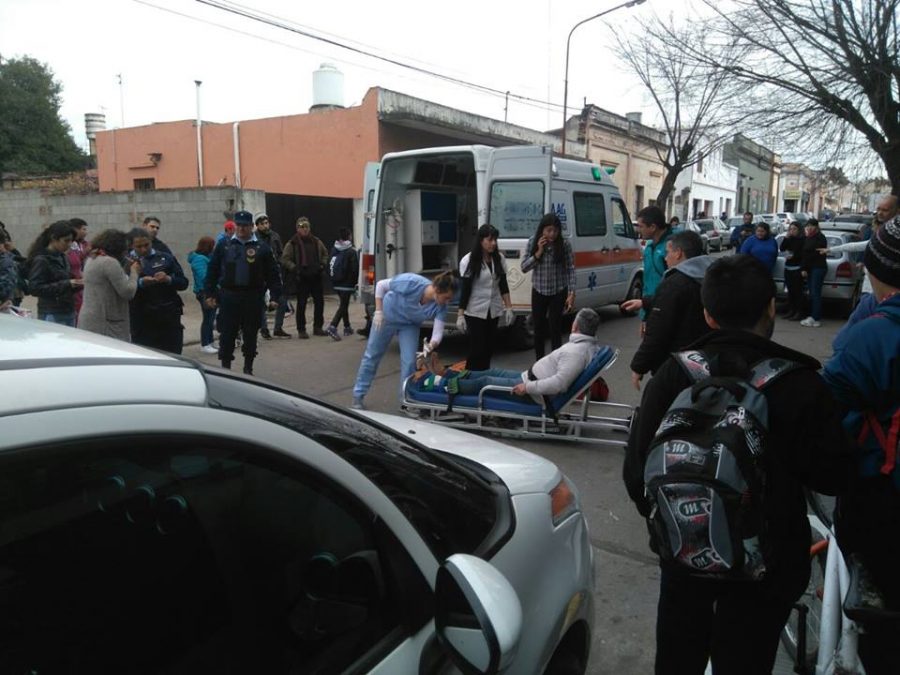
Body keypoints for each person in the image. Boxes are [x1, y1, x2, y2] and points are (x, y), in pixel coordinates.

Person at [623, 254, 852, 675]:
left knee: (677, 658)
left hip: (683, 554)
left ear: (707, 316)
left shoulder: (674, 376)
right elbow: (832, 475)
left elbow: (637, 475)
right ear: (771, 307)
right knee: (746, 660)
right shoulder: (801, 383)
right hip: (768, 565)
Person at [822, 216, 900, 675]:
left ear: (875, 267)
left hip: (883, 495)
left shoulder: (872, 336)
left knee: (881, 620)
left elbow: (826, 416)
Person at [351, 271, 458, 410]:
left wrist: (431, 345)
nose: (447, 302)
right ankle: (358, 396)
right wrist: (378, 311)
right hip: (387, 317)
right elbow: (381, 285)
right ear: (437, 290)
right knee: (372, 355)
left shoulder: (440, 306)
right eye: (447, 297)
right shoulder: (411, 282)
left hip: (409, 325)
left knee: (409, 362)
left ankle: (406, 399)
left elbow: (437, 333)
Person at [620, 230, 713, 390]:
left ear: (678, 253)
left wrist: (639, 366)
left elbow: (658, 330)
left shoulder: (674, 283)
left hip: (677, 365)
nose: (665, 257)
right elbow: (683, 302)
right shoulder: (711, 276)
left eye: (668, 252)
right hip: (706, 362)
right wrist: (645, 302)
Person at [450, 308, 601, 404]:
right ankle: (450, 375)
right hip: (528, 379)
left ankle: (443, 385)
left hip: (533, 393)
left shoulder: (575, 354)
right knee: (491, 372)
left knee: (485, 382)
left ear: (575, 326)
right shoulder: (583, 348)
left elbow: (559, 384)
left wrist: (527, 387)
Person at [204, 210, 281, 375]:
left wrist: (275, 296)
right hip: (229, 297)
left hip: (252, 297)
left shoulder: (262, 248)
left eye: (245, 226)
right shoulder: (224, 246)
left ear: (252, 227)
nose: (241, 229)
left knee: (251, 334)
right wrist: (209, 293)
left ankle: (248, 368)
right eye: (238, 225)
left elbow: (273, 274)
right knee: (227, 334)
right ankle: (226, 369)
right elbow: (212, 270)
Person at [456, 224, 515, 370]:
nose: (493, 243)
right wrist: (460, 315)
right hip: (475, 310)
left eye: (495, 240)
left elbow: (503, 285)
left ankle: (484, 378)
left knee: (489, 348)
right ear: (481, 241)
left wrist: (509, 307)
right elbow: (466, 290)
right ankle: (471, 378)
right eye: (489, 240)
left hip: (493, 309)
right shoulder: (468, 260)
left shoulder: (499, 258)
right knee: (477, 349)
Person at [521, 213, 576, 359]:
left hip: (558, 291)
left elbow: (570, 268)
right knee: (539, 329)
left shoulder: (564, 245)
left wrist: (571, 293)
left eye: (555, 231)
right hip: (539, 290)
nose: (552, 234)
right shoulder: (533, 242)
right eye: (548, 230)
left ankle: (556, 360)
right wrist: (538, 252)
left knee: (555, 328)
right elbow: (524, 267)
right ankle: (540, 362)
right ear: (542, 230)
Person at [128, 228, 189, 354]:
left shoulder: (165, 258)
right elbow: (123, 288)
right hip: (142, 319)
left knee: (174, 356)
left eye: (146, 245)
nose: (144, 249)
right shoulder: (126, 262)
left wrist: (168, 279)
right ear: (131, 245)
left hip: (168, 316)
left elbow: (183, 283)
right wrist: (140, 283)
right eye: (139, 246)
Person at [78, 229, 141, 341]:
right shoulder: (109, 262)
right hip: (107, 323)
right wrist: (134, 273)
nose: (126, 252)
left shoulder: (92, 259)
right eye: (125, 249)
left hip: (90, 319)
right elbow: (127, 292)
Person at [280, 216, 328, 339]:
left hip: (316, 276)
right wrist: (295, 268)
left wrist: (322, 265)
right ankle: (301, 329)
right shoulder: (293, 243)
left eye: (306, 227)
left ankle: (318, 327)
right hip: (302, 277)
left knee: (319, 302)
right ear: (297, 229)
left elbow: (325, 254)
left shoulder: (316, 241)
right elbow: (285, 259)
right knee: (301, 304)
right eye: (302, 227)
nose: (305, 229)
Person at [26, 220, 80, 326]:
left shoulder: (63, 257)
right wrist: (68, 284)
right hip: (52, 312)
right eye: (66, 241)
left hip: (68, 310)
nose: (69, 245)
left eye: (71, 241)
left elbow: (64, 281)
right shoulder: (42, 260)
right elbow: (35, 288)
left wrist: (77, 284)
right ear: (54, 239)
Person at [634, 206, 673, 334]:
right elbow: (647, 283)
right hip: (650, 308)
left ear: (653, 227)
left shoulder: (672, 247)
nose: (638, 230)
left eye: (641, 226)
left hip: (667, 309)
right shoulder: (649, 247)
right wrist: (644, 317)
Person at [254, 213, 289, 340]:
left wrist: (279, 264)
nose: (265, 225)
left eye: (266, 223)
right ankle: (264, 329)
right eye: (262, 223)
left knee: (282, 300)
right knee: (261, 303)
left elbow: (280, 252)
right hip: (260, 274)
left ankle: (278, 328)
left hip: (274, 272)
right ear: (257, 225)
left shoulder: (275, 236)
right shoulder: (254, 238)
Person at [324, 227, 359, 341]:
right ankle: (333, 326)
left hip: (336, 282)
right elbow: (354, 269)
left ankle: (347, 327)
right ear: (349, 236)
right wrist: (355, 283)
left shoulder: (334, 249)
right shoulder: (351, 251)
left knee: (344, 304)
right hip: (347, 284)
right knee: (343, 305)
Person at [188, 236, 218, 354]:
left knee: (210, 318)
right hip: (204, 292)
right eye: (212, 245)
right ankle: (205, 343)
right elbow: (204, 276)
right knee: (208, 318)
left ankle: (210, 342)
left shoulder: (206, 257)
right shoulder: (199, 259)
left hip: (210, 291)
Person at [799, 218, 828, 327]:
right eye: (808, 226)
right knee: (812, 293)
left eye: (812, 226)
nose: (809, 228)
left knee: (815, 293)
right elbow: (804, 254)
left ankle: (815, 317)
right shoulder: (808, 238)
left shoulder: (820, 238)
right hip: (811, 268)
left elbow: (813, 254)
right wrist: (804, 268)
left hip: (818, 268)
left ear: (816, 227)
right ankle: (812, 316)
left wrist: (804, 268)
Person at [779, 222, 806, 320]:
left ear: (799, 230)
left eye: (794, 229)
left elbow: (804, 255)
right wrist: (786, 237)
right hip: (788, 267)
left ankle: (799, 312)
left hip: (797, 268)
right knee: (790, 291)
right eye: (790, 229)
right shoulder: (789, 239)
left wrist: (794, 256)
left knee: (797, 291)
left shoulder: (803, 240)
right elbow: (782, 248)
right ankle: (791, 310)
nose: (792, 231)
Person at [67, 217, 90, 321]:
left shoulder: (84, 244)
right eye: (83, 229)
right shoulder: (70, 247)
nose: (86, 232)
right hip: (73, 284)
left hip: (81, 283)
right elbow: (75, 261)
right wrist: (85, 253)